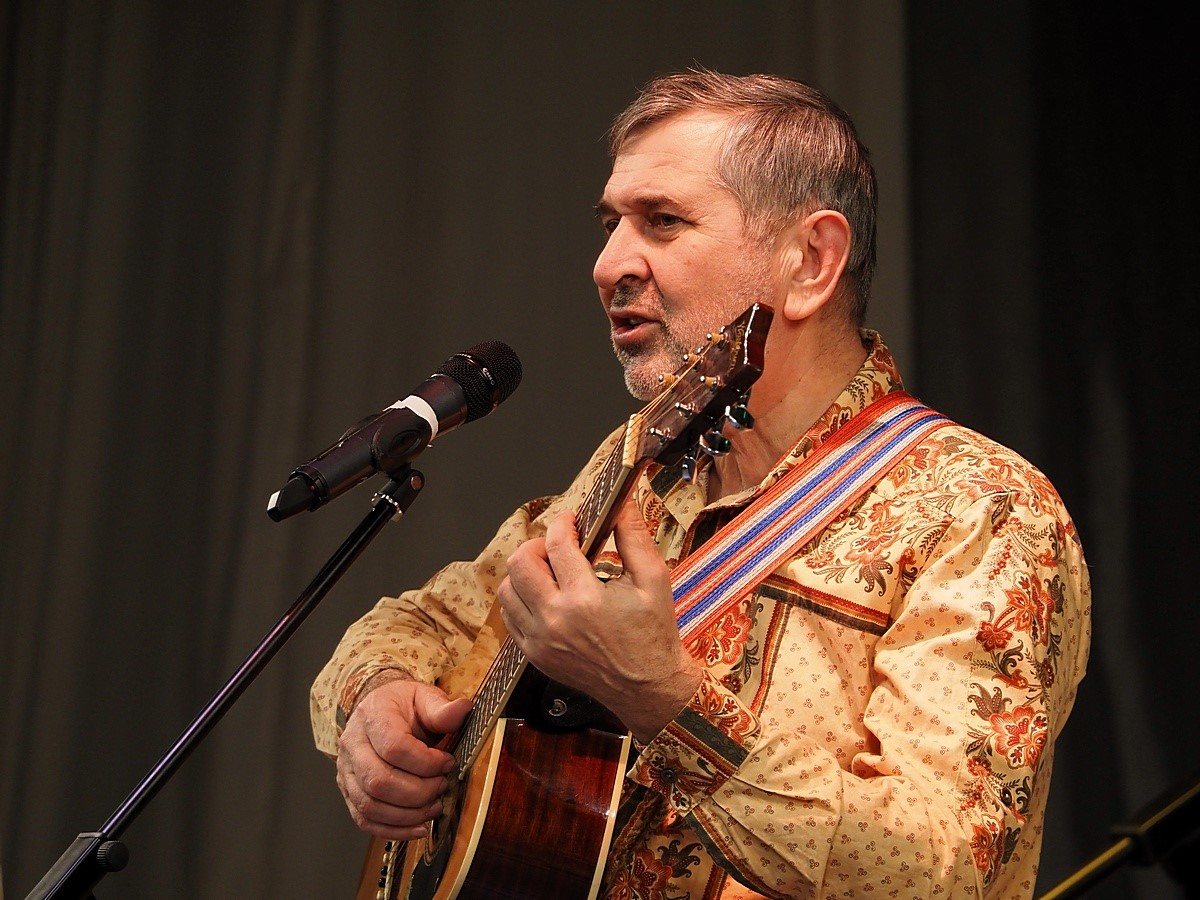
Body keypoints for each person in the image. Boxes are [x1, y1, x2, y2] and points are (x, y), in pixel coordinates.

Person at [311, 68, 1090, 899]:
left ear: (811, 261)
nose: (608, 263)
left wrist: (661, 698)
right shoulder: (635, 469)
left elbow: (943, 869)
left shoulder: (981, 508)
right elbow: (428, 621)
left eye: (663, 221)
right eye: (611, 224)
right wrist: (376, 702)